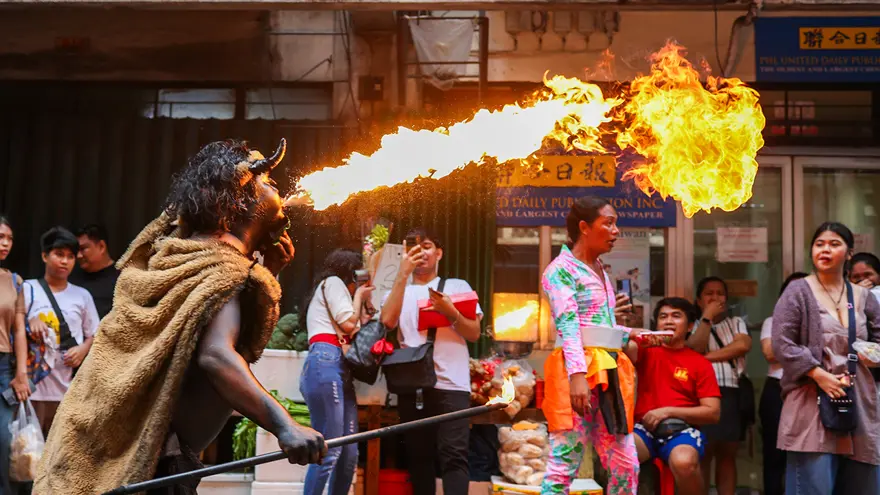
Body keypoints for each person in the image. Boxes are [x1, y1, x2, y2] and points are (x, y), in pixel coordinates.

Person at [34, 138, 326, 494]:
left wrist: (270, 274)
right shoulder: (220, 268)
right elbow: (216, 355)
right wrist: (284, 425)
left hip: (147, 460)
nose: (278, 189)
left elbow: (219, 331)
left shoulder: (194, 259)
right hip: (156, 468)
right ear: (237, 198)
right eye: (268, 182)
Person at [540, 196, 641, 495]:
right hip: (579, 377)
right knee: (563, 467)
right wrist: (578, 377)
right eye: (608, 223)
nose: (616, 231)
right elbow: (569, 326)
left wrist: (634, 333)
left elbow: (596, 329)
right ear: (584, 227)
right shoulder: (560, 270)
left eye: (615, 223)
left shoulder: (598, 268)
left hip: (607, 374)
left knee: (626, 464)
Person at [772, 222, 880, 494]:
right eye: (819, 244)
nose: (825, 250)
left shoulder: (864, 296)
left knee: (863, 483)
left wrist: (872, 356)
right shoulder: (798, 291)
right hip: (811, 399)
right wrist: (819, 374)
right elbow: (782, 344)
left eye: (834, 244)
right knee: (813, 483)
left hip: (858, 399)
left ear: (849, 253)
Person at [380, 227, 483, 495]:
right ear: (405, 254)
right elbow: (387, 321)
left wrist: (451, 313)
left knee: (454, 457)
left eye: (426, 246)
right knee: (418, 458)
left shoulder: (457, 287)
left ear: (439, 252)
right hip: (412, 386)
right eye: (413, 248)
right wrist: (402, 274)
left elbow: (474, 333)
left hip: (453, 385)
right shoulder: (398, 291)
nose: (421, 253)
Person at [300, 249, 374, 495]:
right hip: (325, 361)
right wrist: (360, 295)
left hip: (340, 368)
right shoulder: (332, 283)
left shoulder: (341, 292)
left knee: (349, 453)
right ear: (348, 273)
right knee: (330, 450)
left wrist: (364, 299)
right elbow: (349, 323)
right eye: (356, 277)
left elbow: (356, 330)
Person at [633, 297, 721, 495]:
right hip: (643, 429)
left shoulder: (700, 363)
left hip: (681, 431)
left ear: (690, 326)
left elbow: (713, 412)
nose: (669, 321)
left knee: (684, 463)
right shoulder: (645, 351)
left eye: (676, 316)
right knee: (619, 454)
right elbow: (624, 349)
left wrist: (667, 412)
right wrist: (629, 331)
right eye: (663, 317)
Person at [24, 227, 99, 437]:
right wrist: (30, 319)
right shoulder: (27, 288)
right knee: (27, 452)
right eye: (59, 255)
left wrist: (83, 349)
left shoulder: (82, 295)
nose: (65, 261)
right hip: (32, 388)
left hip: (67, 390)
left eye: (70, 256)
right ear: (44, 256)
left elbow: (96, 333)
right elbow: (10, 329)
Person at [686, 276, 751, 495]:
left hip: (730, 392)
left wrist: (706, 359)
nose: (715, 298)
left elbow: (742, 346)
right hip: (700, 395)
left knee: (727, 454)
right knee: (702, 452)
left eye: (720, 293)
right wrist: (707, 317)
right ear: (698, 299)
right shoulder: (692, 325)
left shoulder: (737, 322)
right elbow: (695, 347)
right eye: (709, 293)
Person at [758, 271, 808, 495]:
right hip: (777, 390)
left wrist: (787, 350)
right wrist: (809, 351)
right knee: (775, 453)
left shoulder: (823, 323)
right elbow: (770, 354)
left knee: (807, 452)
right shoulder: (772, 321)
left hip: (810, 388)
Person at [0, 217, 33, 494]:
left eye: (9, 238)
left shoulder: (14, 281)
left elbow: (19, 331)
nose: (5, 243)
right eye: (0, 237)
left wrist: (21, 373)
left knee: (3, 439)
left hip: (3, 367)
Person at [70, 223, 120, 319]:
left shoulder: (123, 279)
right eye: (76, 250)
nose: (78, 256)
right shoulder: (70, 278)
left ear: (102, 246)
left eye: (83, 249)